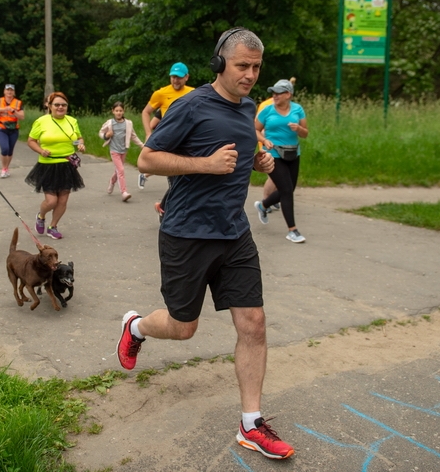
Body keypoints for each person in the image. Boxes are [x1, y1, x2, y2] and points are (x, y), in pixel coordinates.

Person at [118, 28, 295, 460]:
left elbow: (238, 157)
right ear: (220, 63)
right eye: (242, 66)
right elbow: (145, 159)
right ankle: (136, 326)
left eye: (256, 67)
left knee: (253, 323)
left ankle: (251, 423)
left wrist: (258, 161)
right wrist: (206, 165)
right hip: (186, 234)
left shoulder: (251, 106)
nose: (250, 75)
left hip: (234, 233)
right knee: (184, 327)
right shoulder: (190, 105)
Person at [25, 91, 86, 240]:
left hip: (67, 164)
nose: (60, 107)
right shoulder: (41, 122)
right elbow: (31, 140)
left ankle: (53, 226)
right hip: (48, 165)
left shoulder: (72, 121)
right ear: (49, 106)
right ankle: (41, 215)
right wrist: (40, 150)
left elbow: (77, 138)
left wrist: (81, 145)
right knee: (51, 201)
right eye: (57, 104)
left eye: (63, 105)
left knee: (63, 200)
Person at [254, 79, 308, 243]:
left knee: (289, 189)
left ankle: (263, 206)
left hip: (293, 153)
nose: (274, 96)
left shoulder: (298, 109)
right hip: (273, 154)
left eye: (278, 93)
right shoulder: (267, 111)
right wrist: (264, 140)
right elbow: (254, 129)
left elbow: (305, 133)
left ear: (288, 94)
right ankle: (293, 230)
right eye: (273, 93)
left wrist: (299, 129)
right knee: (285, 190)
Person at [138, 62, 194, 189]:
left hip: (189, 139)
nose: (176, 80)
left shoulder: (194, 92)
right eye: (173, 77)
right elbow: (146, 112)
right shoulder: (161, 93)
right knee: (175, 177)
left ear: (186, 77)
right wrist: (148, 134)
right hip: (171, 139)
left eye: (179, 77)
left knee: (190, 175)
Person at [256, 76, 295, 212]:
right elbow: (260, 127)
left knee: (280, 178)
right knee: (273, 176)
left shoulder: (288, 106)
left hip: (284, 146)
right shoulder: (267, 105)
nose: (276, 95)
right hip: (269, 144)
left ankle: (269, 201)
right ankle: (266, 200)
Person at [99, 101, 144, 202]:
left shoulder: (128, 123)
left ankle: (112, 181)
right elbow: (101, 133)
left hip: (124, 150)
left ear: (123, 111)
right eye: (116, 111)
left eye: (120, 110)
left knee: (119, 170)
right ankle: (124, 192)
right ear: (113, 111)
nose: (118, 112)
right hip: (114, 150)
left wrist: (142, 145)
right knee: (121, 170)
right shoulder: (110, 123)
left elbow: (133, 136)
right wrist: (106, 136)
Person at [0, 84, 25, 178]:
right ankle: (3, 169)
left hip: (13, 129)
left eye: (11, 90)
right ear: (4, 91)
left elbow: (22, 117)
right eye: (8, 90)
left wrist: (14, 111)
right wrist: (1, 110)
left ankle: (6, 168)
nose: (9, 92)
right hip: (1, 128)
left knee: (10, 150)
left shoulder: (18, 103)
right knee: (5, 148)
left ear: (14, 92)